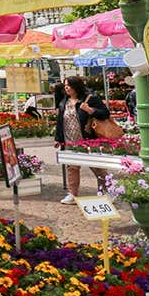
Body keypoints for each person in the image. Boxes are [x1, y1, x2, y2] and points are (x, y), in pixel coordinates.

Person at [55, 75, 110, 204]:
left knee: (96, 166)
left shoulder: (89, 98)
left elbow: (105, 113)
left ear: (76, 86)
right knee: (72, 167)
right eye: (65, 85)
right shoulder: (64, 101)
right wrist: (58, 138)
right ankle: (72, 194)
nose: (66, 88)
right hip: (70, 140)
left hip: (87, 139)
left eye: (68, 85)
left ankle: (107, 191)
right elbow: (60, 121)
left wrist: (90, 110)